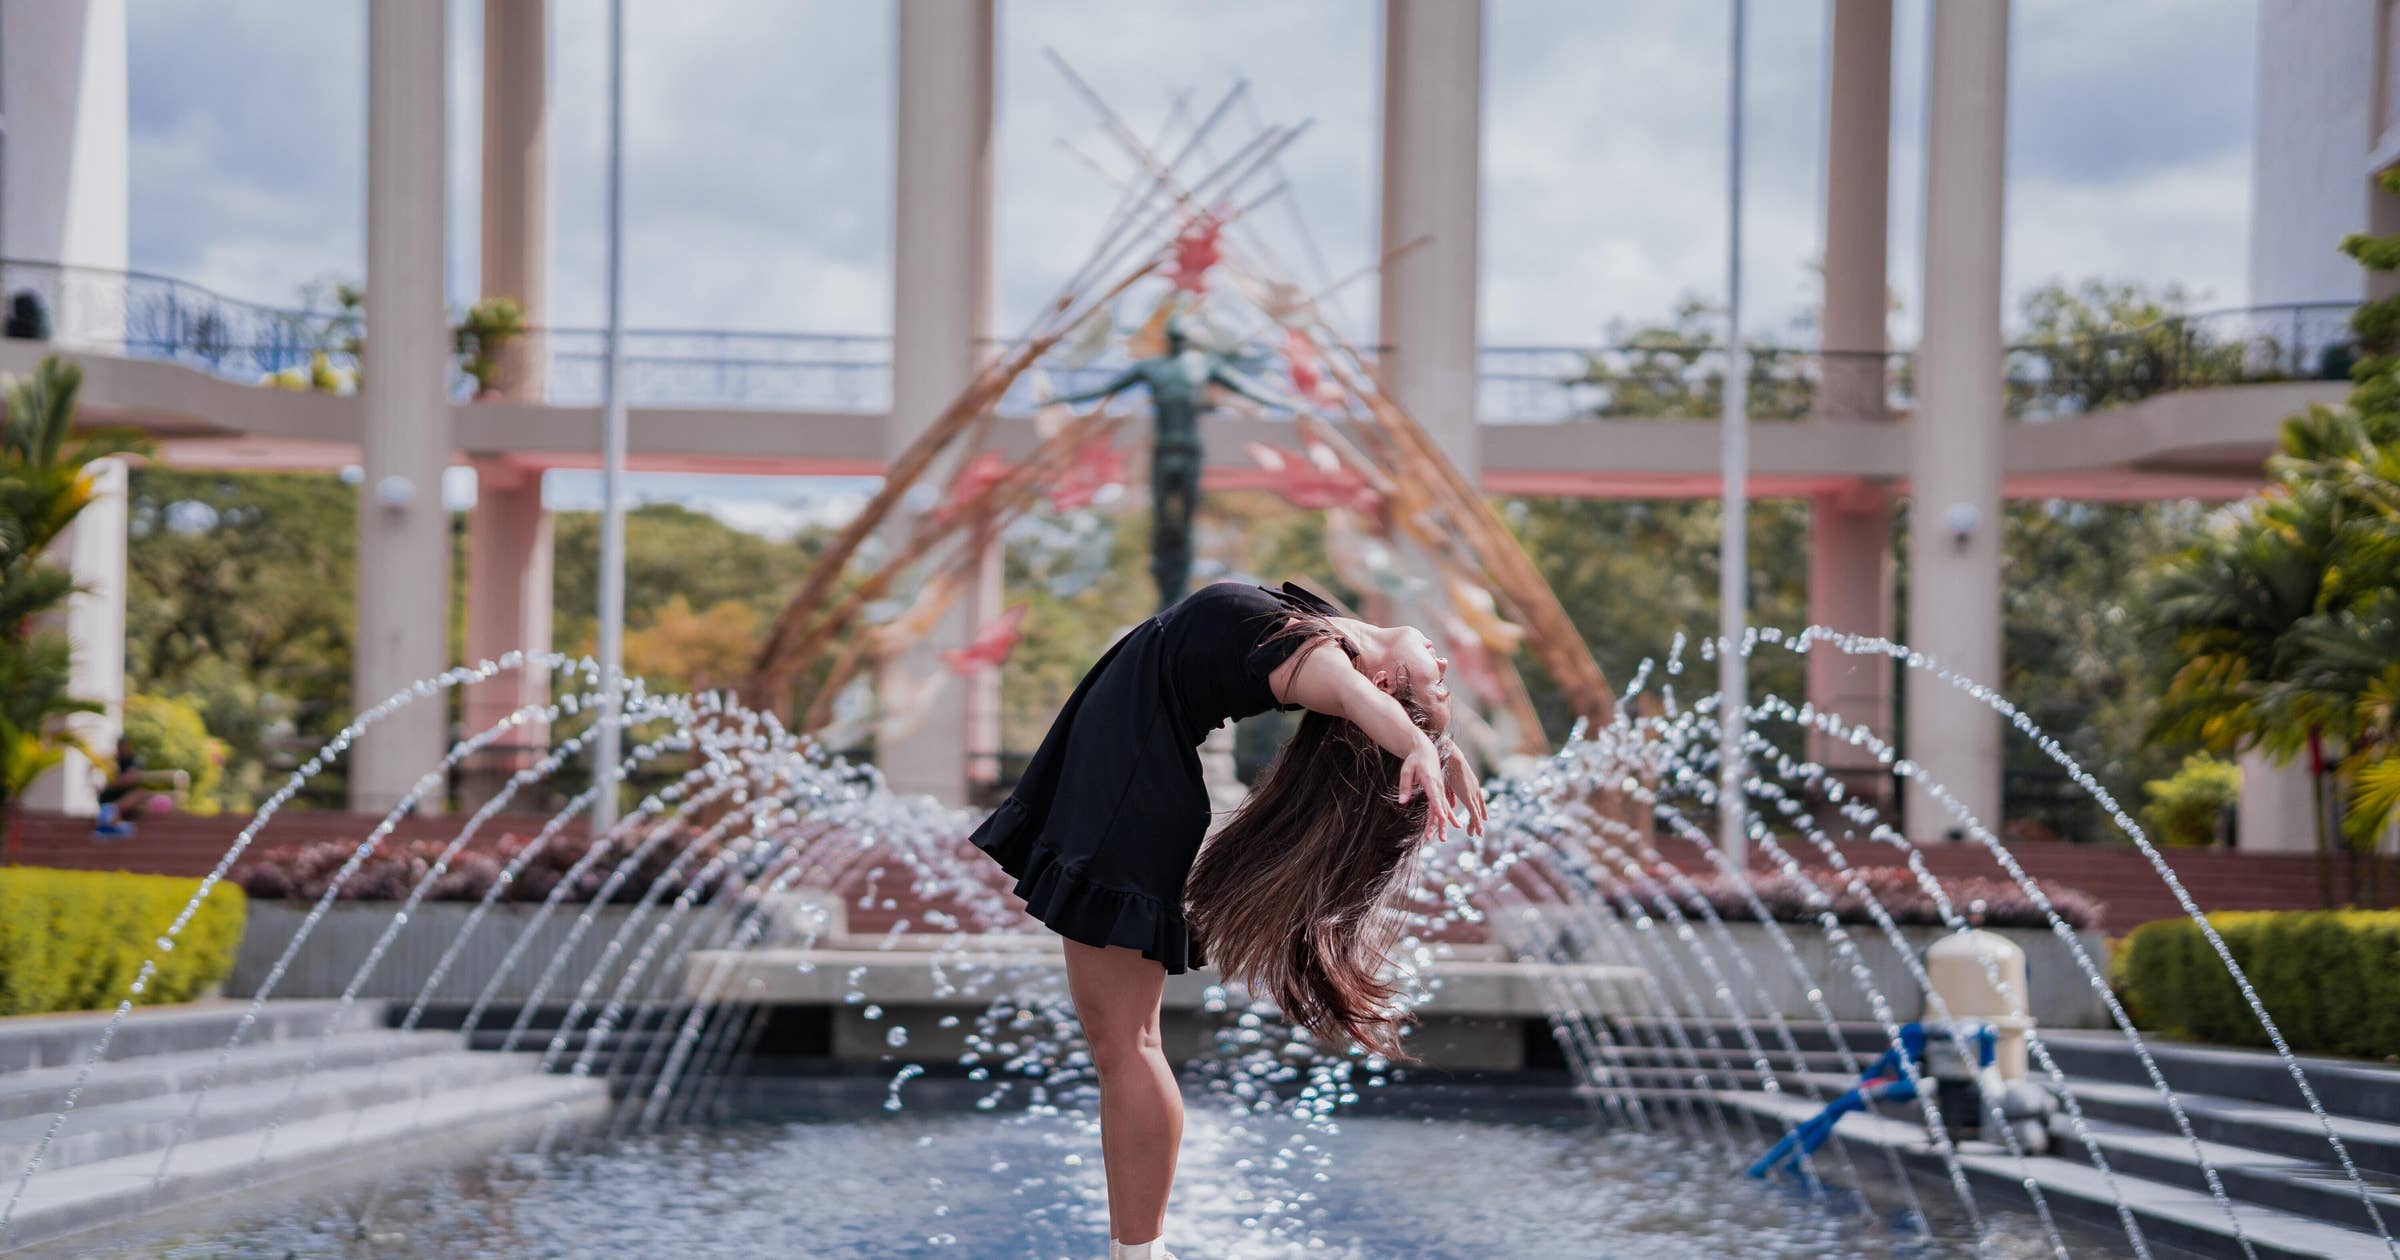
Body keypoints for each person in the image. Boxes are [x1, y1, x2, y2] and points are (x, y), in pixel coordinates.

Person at [969, 579, 1487, 1260]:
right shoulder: (1329, 630)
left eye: (1433, 692)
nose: (1445, 670)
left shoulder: (1325, 667)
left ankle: (1139, 1252)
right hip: (1119, 778)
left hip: (1124, 795)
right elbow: (1371, 697)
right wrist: (1439, 748)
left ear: (1386, 683)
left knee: (1127, 1044)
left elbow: (1358, 698)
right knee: (1123, 1043)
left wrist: (1417, 745)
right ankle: (1139, 1251)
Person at [92, 735, 149, 840]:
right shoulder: (112, 760)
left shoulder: (133, 759)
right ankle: (111, 818)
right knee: (139, 794)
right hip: (110, 795)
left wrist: (114, 783)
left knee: (140, 794)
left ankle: (111, 815)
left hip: (121, 796)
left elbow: (131, 778)